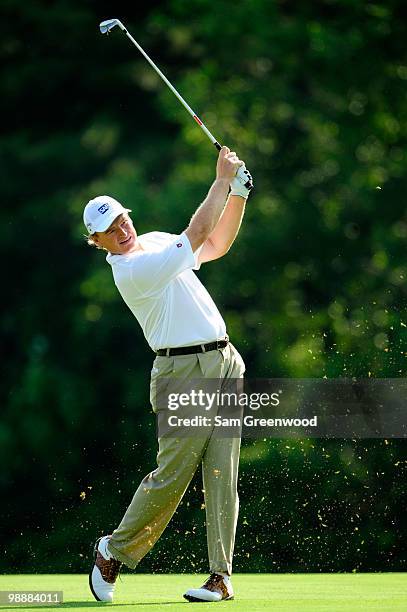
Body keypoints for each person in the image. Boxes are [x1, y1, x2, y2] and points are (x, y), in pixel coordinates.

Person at [84, 146, 253, 603]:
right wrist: (221, 181)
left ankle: (220, 575)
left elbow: (214, 244)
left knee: (223, 472)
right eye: (107, 230)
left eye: (121, 220)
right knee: (173, 475)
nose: (120, 230)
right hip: (182, 371)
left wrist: (237, 195)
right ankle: (113, 551)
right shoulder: (131, 271)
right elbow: (199, 229)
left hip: (224, 361)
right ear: (96, 241)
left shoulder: (157, 241)